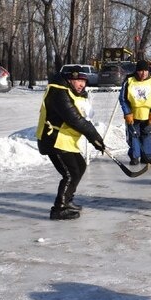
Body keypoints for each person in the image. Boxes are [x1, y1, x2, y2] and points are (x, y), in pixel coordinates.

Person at [36, 66, 105, 220]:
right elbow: (74, 119)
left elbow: (83, 118)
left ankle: (67, 201)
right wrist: (94, 137)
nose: (81, 84)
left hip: (65, 140)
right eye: (77, 80)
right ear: (69, 80)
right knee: (70, 173)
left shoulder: (73, 93)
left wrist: (95, 138)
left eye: (83, 81)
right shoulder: (58, 93)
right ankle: (58, 209)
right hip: (53, 139)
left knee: (80, 166)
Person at [119, 59, 151, 166]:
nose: (143, 73)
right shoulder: (129, 80)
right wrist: (127, 113)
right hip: (133, 115)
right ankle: (135, 157)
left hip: (147, 114)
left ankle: (147, 156)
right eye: (141, 71)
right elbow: (123, 99)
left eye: (145, 71)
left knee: (146, 133)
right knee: (134, 135)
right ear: (137, 71)